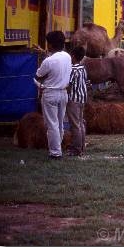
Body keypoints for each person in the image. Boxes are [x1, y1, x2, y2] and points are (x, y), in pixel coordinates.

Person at [35, 31, 72, 159]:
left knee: (52, 125)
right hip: (63, 93)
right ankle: (58, 148)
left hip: (50, 94)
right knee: (60, 123)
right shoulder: (67, 56)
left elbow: (39, 75)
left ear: (50, 45)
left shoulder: (48, 61)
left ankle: (55, 153)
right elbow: (56, 60)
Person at [66, 46, 89, 156]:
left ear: (73, 56)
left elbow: (69, 85)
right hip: (82, 99)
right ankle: (82, 146)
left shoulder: (72, 69)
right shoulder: (82, 68)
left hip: (73, 100)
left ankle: (76, 149)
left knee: (75, 125)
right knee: (80, 123)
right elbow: (86, 82)